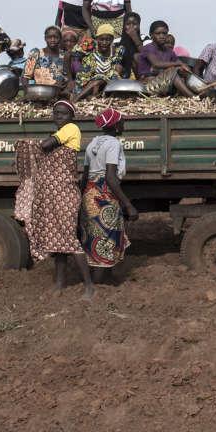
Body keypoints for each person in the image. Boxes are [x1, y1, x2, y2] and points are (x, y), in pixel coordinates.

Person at [16, 100, 92, 292]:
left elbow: (45, 145)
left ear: (71, 116)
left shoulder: (71, 129)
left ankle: (89, 286)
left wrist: (31, 145)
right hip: (54, 196)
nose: (59, 116)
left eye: (63, 113)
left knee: (69, 239)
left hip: (65, 195)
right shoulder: (62, 132)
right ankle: (59, 284)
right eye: (56, 113)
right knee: (58, 242)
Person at [79, 107, 139, 298]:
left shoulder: (92, 144)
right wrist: (128, 204)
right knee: (106, 238)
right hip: (104, 195)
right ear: (114, 125)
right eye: (122, 121)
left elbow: (85, 176)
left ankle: (104, 277)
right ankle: (97, 283)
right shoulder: (113, 144)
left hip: (90, 194)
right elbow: (111, 177)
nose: (124, 124)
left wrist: (80, 199)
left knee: (94, 237)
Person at [134, 20, 198, 97]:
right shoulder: (148, 48)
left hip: (163, 84)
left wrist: (184, 68)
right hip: (146, 86)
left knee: (181, 72)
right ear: (151, 35)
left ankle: (196, 92)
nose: (161, 36)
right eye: (158, 33)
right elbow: (156, 64)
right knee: (172, 72)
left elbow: (180, 64)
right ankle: (192, 96)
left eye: (164, 33)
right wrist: (178, 64)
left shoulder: (169, 51)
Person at [75, 24, 124, 99]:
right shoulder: (90, 47)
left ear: (112, 39)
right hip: (87, 82)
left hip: (106, 83)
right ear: (97, 39)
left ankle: (98, 95)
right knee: (98, 79)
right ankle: (78, 98)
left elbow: (117, 70)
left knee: (116, 69)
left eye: (107, 39)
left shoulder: (117, 51)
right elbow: (70, 54)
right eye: (101, 39)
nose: (104, 42)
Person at [23, 26, 73, 96]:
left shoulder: (65, 56)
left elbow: (69, 79)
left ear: (60, 39)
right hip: (39, 92)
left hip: (58, 94)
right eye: (49, 37)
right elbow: (25, 77)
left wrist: (67, 89)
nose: (52, 40)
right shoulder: (35, 53)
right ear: (45, 39)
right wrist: (27, 94)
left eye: (56, 37)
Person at [118, 12, 144, 80]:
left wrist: (135, 38)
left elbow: (147, 57)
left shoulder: (145, 39)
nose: (131, 27)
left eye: (134, 24)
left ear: (139, 26)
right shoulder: (117, 42)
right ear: (124, 26)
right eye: (128, 24)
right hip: (122, 78)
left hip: (141, 77)